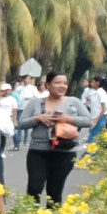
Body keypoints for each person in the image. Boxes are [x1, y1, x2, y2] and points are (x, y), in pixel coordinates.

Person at [17, 71, 92, 205]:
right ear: (48, 85)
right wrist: (38, 118)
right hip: (38, 152)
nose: (62, 86)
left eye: (65, 83)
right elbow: (21, 124)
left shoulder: (73, 102)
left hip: (64, 152)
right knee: (34, 187)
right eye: (58, 83)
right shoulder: (35, 103)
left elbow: (88, 121)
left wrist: (67, 119)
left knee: (55, 191)